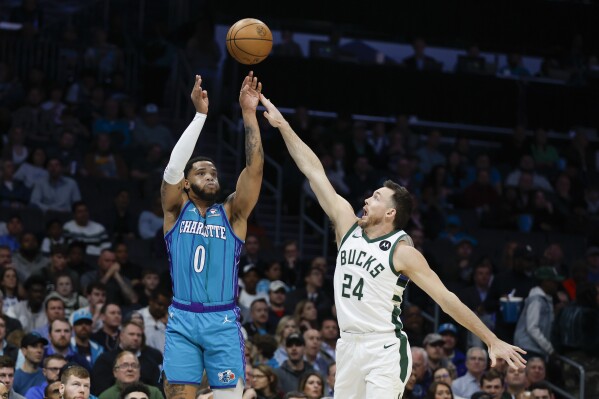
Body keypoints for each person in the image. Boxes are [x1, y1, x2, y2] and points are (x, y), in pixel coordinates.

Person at [259, 91, 526, 399]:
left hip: (382, 348)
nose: (365, 200)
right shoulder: (347, 225)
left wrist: (491, 340)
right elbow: (313, 170)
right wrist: (283, 126)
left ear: (390, 213)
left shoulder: (403, 251)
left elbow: (446, 298)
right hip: (346, 347)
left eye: (375, 198)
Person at [160, 72, 264, 399]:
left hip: (222, 320)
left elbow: (255, 169)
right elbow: (172, 171)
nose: (210, 176)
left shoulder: (232, 213)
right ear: (187, 184)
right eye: (201, 172)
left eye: (214, 173)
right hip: (182, 319)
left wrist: (249, 114)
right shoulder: (175, 210)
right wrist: (200, 116)